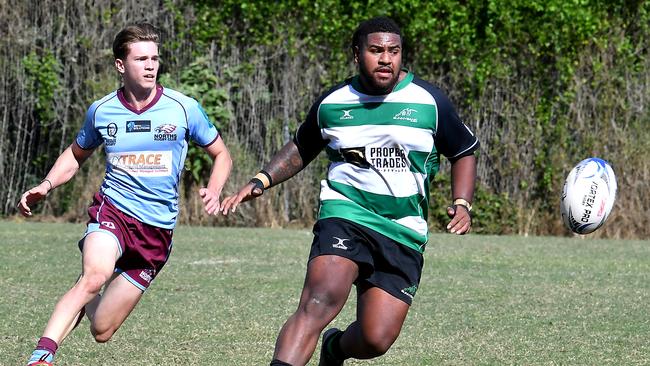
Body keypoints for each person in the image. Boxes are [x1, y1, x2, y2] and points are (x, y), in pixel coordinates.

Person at [221, 16, 479, 366]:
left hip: (404, 229)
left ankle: (336, 347)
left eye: (394, 51)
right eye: (375, 51)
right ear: (357, 54)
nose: (386, 59)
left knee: (376, 339)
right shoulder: (334, 102)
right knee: (319, 301)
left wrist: (462, 202)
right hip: (346, 213)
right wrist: (261, 180)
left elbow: (463, 150)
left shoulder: (429, 101)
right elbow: (302, 146)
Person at [17, 22, 232, 366]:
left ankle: (89, 283)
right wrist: (46, 184)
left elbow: (222, 154)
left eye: (154, 59)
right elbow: (75, 155)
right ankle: (41, 355)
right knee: (95, 277)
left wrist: (215, 188)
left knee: (101, 329)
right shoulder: (102, 111)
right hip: (112, 211)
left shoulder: (183, 108)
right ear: (121, 65)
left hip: (156, 233)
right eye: (141, 59)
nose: (150, 66)